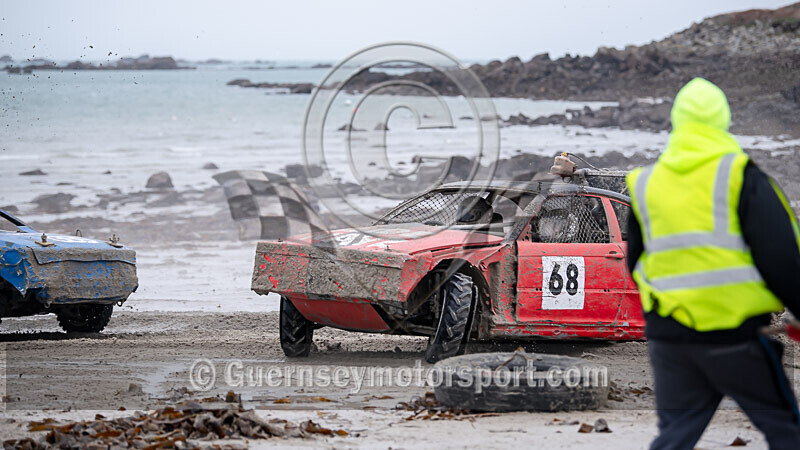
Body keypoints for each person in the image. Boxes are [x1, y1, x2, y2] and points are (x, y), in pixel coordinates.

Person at [626, 77, 800, 449]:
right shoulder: (741, 176)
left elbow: (635, 263)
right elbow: (783, 258)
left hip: (668, 338)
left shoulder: (645, 183)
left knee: (676, 433)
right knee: (786, 428)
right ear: (724, 120)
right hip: (733, 334)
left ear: (675, 121)